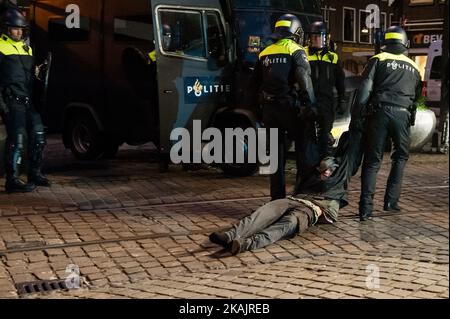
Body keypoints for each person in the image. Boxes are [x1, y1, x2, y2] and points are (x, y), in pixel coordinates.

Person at [209, 134, 356, 255]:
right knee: (264, 212)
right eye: (322, 170)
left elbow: (351, 151)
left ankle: (246, 243)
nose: (325, 173)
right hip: (294, 199)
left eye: (329, 171)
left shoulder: (339, 179)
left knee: (289, 222)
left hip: (312, 208)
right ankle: (230, 235)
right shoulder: (311, 176)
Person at [355, 26, 422, 221]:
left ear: (386, 43)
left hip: (379, 112)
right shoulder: (414, 66)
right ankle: (391, 202)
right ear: (405, 44)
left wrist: (358, 115)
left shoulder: (377, 60)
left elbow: (364, 90)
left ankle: (365, 209)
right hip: (403, 115)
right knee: (400, 157)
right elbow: (417, 97)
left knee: (372, 161)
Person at [250, 14, 316, 201]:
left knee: (276, 157)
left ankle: (276, 199)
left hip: (269, 110)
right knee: (304, 149)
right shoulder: (296, 50)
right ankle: (301, 195)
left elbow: (253, 85)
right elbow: (305, 80)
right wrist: (311, 105)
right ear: (296, 31)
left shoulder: (265, 52)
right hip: (290, 108)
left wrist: (257, 111)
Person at [0, 9, 51, 193]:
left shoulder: (27, 48)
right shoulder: (0, 47)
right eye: (15, 29)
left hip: (28, 101)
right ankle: (12, 179)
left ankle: (34, 173)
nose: (19, 32)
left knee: (38, 135)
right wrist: (2, 106)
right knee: (18, 139)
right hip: (12, 102)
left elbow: (30, 78)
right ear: (6, 29)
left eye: (21, 29)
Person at [303, 21, 346, 161]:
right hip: (308, 102)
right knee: (307, 137)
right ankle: (308, 168)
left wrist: (342, 100)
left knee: (325, 135)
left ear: (326, 38)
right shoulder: (303, 54)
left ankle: (323, 166)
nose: (317, 40)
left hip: (326, 102)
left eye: (320, 37)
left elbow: (340, 81)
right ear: (309, 38)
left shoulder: (332, 57)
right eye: (314, 37)